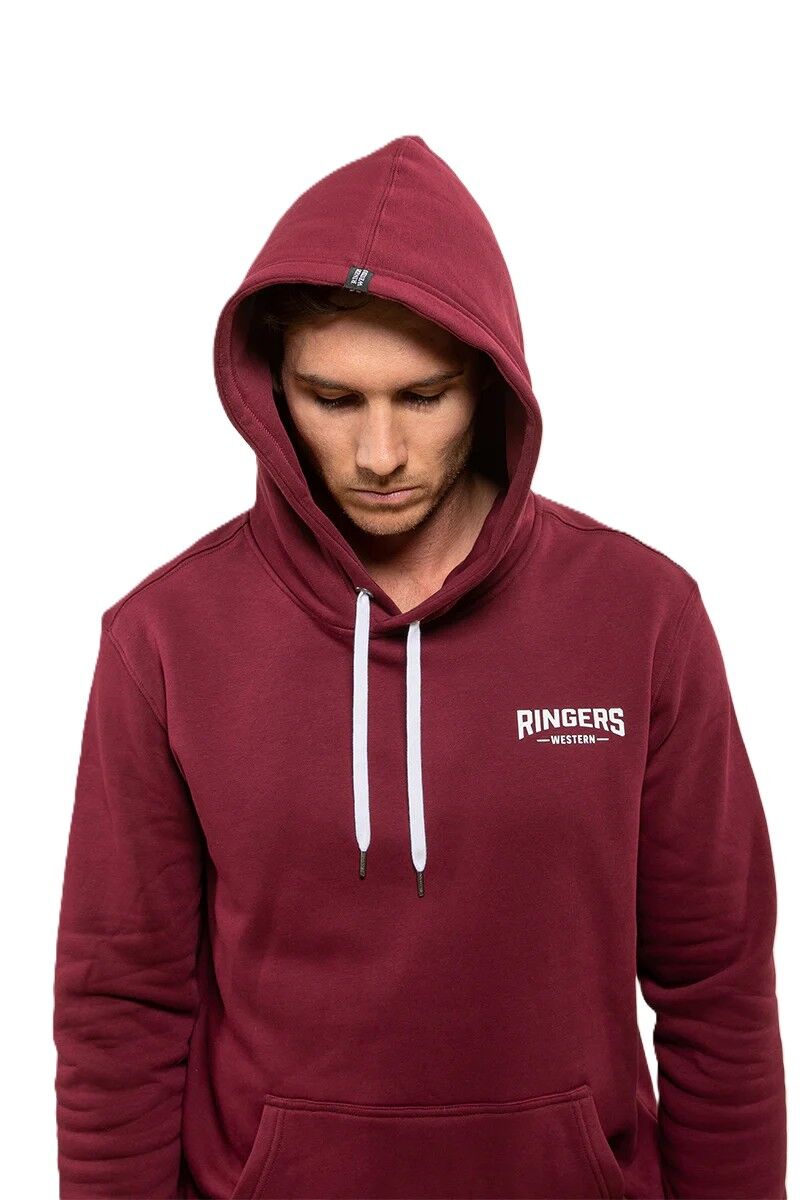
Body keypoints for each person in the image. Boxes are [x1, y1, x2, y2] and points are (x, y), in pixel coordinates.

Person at [52, 134, 787, 1199]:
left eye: (423, 396)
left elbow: (716, 983)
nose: (380, 455)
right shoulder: (164, 639)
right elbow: (119, 1005)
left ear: (489, 383)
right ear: (271, 388)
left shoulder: (641, 616)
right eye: (333, 400)